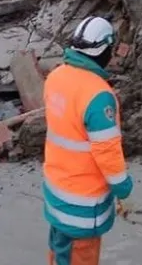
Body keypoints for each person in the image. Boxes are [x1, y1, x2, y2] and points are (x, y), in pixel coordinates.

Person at [43, 15, 133, 265]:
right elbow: (107, 152)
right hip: (83, 203)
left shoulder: (56, 76)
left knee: (60, 250)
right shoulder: (98, 96)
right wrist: (123, 186)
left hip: (57, 190)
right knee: (79, 257)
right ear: (104, 50)